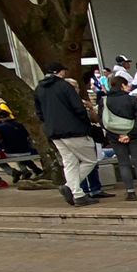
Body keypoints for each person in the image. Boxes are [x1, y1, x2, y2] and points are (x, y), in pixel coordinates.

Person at [33, 62, 99, 207]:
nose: (65, 74)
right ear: (59, 72)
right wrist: (84, 122)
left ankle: (77, 193)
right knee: (90, 160)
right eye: (63, 71)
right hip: (74, 129)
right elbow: (78, 108)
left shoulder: (39, 89)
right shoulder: (64, 86)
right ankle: (71, 187)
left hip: (54, 131)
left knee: (70, 163)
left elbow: (39, 113)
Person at [102, 77, 137, 200]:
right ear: (122, 85)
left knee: (124, 164)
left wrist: (117, 135)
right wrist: (130, 134)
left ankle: (130, 192)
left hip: (115, 136)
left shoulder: (104, 101)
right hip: (134, 135)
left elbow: (102, 121)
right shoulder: (132, 99)